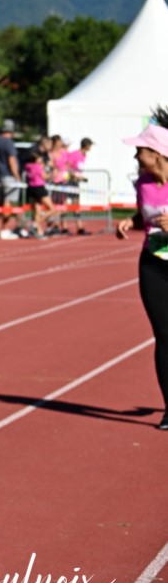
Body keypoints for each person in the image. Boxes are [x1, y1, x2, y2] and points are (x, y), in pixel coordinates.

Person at [115, 109, 168, 432]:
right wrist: (130, 221)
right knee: (164, 336)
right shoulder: (144, 184)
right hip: (154, 264)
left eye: (140, 150)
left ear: (158, 153)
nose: (135, 156)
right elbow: (143, 216)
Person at [0, 119, 23, 239]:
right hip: (8, 175)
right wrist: (16, 175)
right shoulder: (8, 142)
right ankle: (4, 229)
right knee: (8, 201)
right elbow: (11, 160)